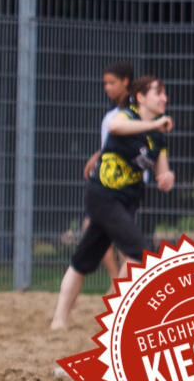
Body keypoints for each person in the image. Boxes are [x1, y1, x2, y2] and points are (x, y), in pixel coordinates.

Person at [50, 76, 175, 329]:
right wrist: (155, 124)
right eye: (158, 93)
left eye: (164, 94)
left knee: (83, 259)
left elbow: (163, 171)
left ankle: (59, 321)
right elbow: (116, 129)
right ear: (140, 97)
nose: (164, 98)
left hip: (125, 203)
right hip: (103, 197)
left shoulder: (159, 137)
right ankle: (118, 317)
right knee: (142, 253)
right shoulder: (126, 117)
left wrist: (168, 177)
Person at [75, 62, 136, 284]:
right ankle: (115, 281)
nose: (107, 88)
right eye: (105, 83)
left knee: (122, 241)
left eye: (112, 83)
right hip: (106, 183)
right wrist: (97, 157)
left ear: (125, 82)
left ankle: (120, 285)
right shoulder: (113, 115)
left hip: (122, 185)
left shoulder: (133, 113)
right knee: (95, 230)